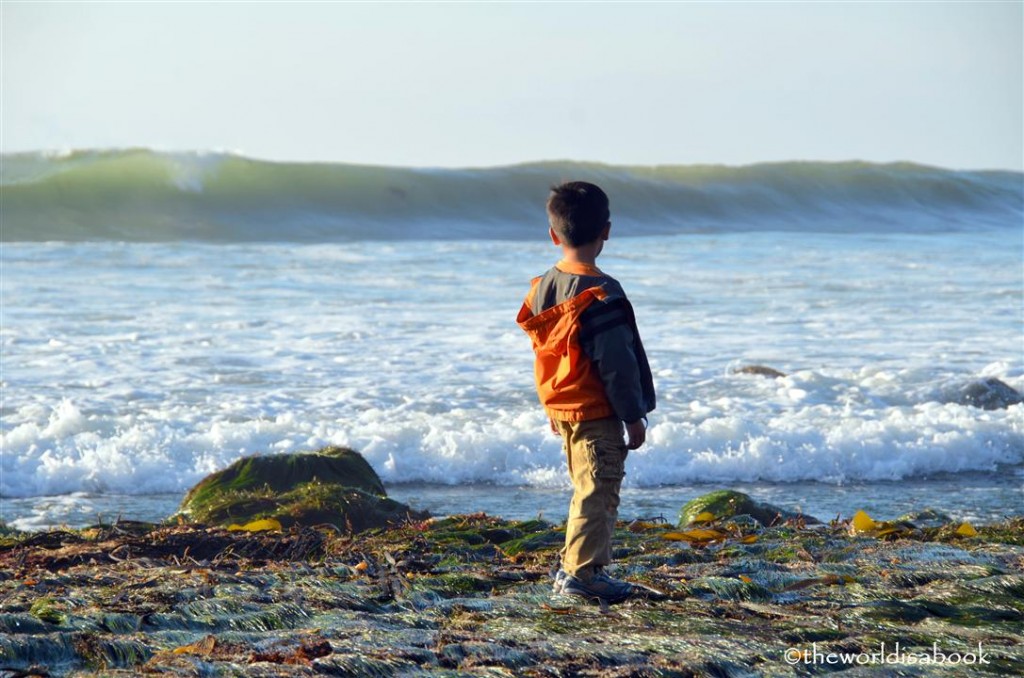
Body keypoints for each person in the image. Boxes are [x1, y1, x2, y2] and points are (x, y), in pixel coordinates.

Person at [516, 181, 656, 603]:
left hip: (563, 404)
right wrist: (633, 414)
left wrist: (551, 408)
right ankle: (583, 574)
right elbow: (617, 363)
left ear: (553, 235)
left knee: (585, 487)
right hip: (596, 409)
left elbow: (548, 355)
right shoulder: (601, 293)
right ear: (607, 231)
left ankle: (571, 568)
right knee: (600, 489)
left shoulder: (542, 286)